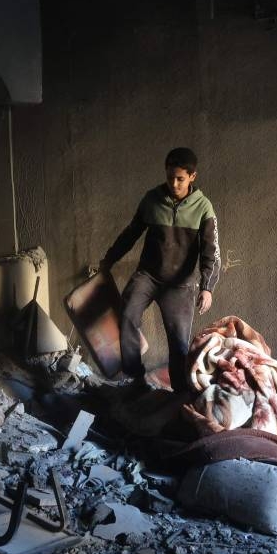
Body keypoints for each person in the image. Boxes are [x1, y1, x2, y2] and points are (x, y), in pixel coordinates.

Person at [100, 147, 221, 393]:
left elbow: (211, 251)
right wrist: (109, 259)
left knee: (178, 344)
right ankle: (135, 380)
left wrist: (207, 287)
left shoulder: (203, 208)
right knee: (126, 314)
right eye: (170, 177)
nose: (174, 184)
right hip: (148, 275)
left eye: (180, 179)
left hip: (180, 283)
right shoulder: (151, 199)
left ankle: (179, 394)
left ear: (192, 177)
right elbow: (130, 234)